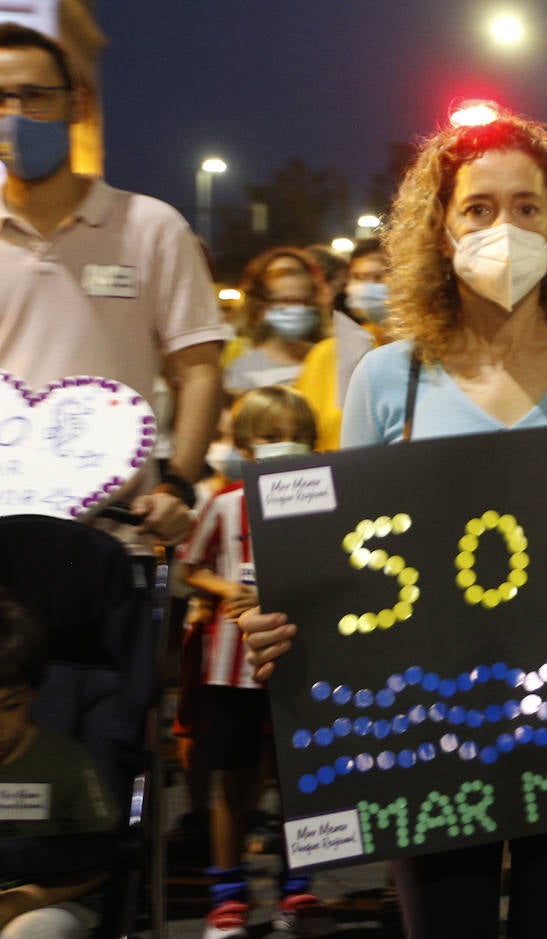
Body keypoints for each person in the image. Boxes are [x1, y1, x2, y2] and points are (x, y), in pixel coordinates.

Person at [237, 112, 547, 939]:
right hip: (431, 736)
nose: (506, 227)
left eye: (529, 207)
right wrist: (290, 620)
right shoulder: (390, 378)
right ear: (441, 225)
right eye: (480, 207)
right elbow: (351, 554)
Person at [0, 22, 222, 547]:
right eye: (1, 99)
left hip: (113, 540)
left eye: (34, 97)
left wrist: (178, 486)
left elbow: (199, 370)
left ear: (77, 103)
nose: (13, 116)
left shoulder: (151, 225)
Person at [180, 386, 332, 939]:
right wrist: (228, 589)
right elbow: (189, 566)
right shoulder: (223, 505)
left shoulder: (321, 504)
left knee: (302, 783)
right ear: (244, 444)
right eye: (270, 437)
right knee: (232, 782)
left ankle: (300, 889)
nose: (283, 446)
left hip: (300, 662)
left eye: (297, 436)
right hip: (231, 668)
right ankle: (227, 897)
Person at [0, 589, 116, 939]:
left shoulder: (67, 765)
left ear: (33, 695)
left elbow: (102, 858)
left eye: (10, 707)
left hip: (57, 899)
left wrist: (27, 899)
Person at [296, 238, 390, 450]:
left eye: (379, 276)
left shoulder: (437, 351)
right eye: (358, 277)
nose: (367, 287)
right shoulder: (328, 354)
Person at [223, 247, 330, 394]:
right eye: (287, 301)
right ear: (262, 308)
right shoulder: (244, 369)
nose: (297, 309)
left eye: (305, 301)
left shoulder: (328, 359)